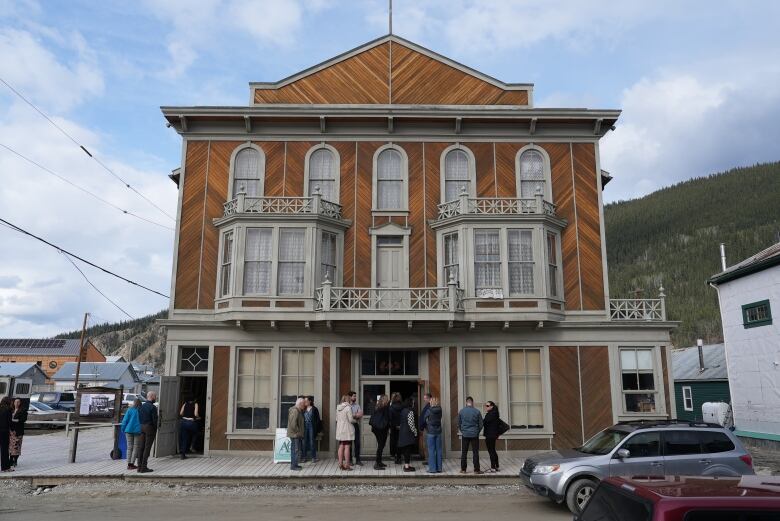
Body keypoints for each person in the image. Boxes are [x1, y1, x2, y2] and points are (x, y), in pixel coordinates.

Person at [458, 396, 483, 474]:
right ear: (472, 402)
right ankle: (476, 469)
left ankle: (463, 469)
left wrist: (463, 431)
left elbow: (459, 424)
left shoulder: (461, 411)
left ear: (466, 402)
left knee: (464, 452)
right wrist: (477, 431)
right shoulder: (477, 411)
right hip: (474, 434)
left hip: (465, 434)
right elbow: (481, 424)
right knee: (475, 452)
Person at [137, 391, 158, 473]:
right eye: (155, 396)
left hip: (141, 427)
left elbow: (139, 417)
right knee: (147, 448)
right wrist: (156, 429)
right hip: (149, 428)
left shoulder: (141, 406)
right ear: (152, 396)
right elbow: (155, 420)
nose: (156, 398)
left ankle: (139, 467)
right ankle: (144, 467)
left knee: (141, 447)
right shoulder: (152, 407)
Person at [368, 394, 390, 470]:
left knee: (381, 445)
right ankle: (377, 463)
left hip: (376, 428)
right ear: (385, 400)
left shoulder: (377, 406)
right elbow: (387, 418)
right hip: (382, 429)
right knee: (381, 445)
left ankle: (379, 462)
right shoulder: (385, 407)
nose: (388, 400)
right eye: (387, 399)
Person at [120, 398, 142, 470]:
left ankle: (128, 464)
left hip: (128, 430)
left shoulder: (129, 410)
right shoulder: (140, 410)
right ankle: (132, 463)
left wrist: (123, 429)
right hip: (137, 431)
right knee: (135, 447)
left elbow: (125, 420)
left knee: (129, 447)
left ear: (133, 403)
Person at [397, 397, 418, 472]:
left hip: (403, 432)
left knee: (405, 450)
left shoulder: (403, 411)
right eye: (413, 402)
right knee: (407, 450)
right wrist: (415, 432)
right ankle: (406, 467)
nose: (413, 403)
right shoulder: (410, 412)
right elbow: (411, 424)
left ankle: (407, 465)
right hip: (408, 433)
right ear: (410, 403)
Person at [335, 395, 354, 471]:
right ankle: (347, 465)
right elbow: (351, 419)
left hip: (340, 429)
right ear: (348, 400)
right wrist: (356, 420)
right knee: (347, 447)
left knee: (341, 445)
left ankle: (340, 464)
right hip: (347, 430)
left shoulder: (338, 408)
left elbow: (336, 419)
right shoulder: (348, 408)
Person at [425, 397, 443, 473]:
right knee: (439, 450)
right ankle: (439, 468)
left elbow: (424, 419)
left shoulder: (429, 410)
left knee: (431, 450)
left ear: (431, 402)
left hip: (431, 432)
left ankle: (432, 469)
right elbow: (440, 418)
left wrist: (428, 425)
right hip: (438, 431)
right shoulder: (440, 410)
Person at [178, 395, 199, 460]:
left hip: (183, 422)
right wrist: (198, 417)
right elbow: (195, 414)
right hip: (191, 422)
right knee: (196, 433)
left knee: (184, 438)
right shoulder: (195, 404)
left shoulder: (185, 404)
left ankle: (182, 454)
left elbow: (181, 413)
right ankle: (192, 446)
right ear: (194, 399)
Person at [287, 397, 305, 471]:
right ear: (300, 404)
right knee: (295, 450)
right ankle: (294, 466)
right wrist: (298, 432)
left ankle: (294, 464)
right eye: (303, 404)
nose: (304, 406)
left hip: (295, 434)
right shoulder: (295, 411)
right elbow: (293, 424)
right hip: (295, 435)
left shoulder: (298, 410)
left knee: (295, 449)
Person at [302, 395, 322, 463]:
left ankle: (313, 457)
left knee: (312, 442)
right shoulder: (303, 409)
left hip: (311, 426)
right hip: (304, 426)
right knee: (304, 442)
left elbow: (318, 420)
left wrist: (316, 428)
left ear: (310, 401)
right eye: (304, 401)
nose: (305, 402)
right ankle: (304, 457)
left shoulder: (314, 409)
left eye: (306, 401)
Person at [483, 401, 501, 472]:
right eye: (486, 405)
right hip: (493, 435)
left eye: (487, 406)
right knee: (493, 450)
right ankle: (497, 466)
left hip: (489, 435)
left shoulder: (490, 415)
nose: (486, 407)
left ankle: (493, 467)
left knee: (491, 451)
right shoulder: (495, 413)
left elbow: (484, 422)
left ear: (492, 406)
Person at [9, 398, 27, 468]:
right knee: (11, 447)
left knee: (17, 446)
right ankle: (10, 460)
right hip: (11, 431)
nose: (16, 403)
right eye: (15, 402)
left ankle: (15, 460)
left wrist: (14, 420)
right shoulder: (11, 410)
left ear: (20, 403)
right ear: (13, 403)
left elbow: (23, 420)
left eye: (18, 402)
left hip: (18, 431)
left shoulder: (23, 410)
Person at [348, 391, 363, 465]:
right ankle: (350, 460)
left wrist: (353, 415)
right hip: (349, 426)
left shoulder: (357, 405)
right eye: (354, 396)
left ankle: (358, 460)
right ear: (350, 397)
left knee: (357, 443)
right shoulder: (347, 406)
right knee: (349, 443)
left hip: (356, 425)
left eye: (355, 396)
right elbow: (348, 416)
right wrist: (355, 415)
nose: (355, 397)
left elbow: (360, 414)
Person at [388, 392, 404, 464]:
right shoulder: (403, 406)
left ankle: (393, 455)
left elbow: (390, 418)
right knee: (400, 441)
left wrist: (391, 426)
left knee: (393, 441)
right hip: (402, 426)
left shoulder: (391, 407)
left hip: (393, 426)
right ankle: (399, 456)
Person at [419, 392, 431, 465]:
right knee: (427, 444)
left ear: (429, 398)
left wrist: (422, 427)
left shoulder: (429, 406)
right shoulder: (427, 405)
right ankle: (428, 459)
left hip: (427, 428)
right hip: (427, 428)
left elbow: (425, 418)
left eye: (425, 398)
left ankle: (429, 460)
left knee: (428, 444)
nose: (424, 400)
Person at [0, 397, 12, 472]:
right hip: (4, 431)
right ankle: (5, 467)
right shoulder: (8, 410)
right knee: (4, 450)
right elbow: (9, 422)